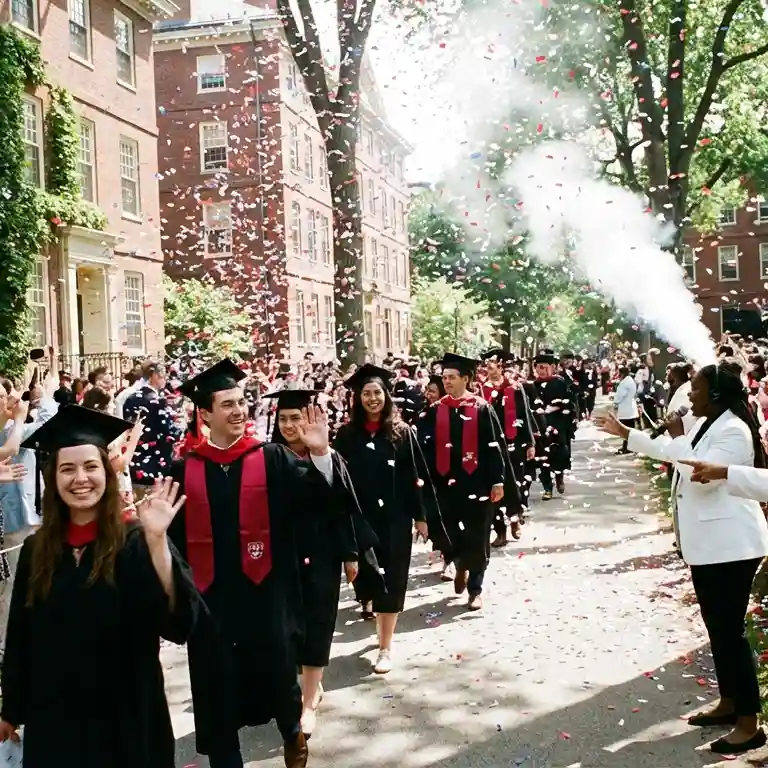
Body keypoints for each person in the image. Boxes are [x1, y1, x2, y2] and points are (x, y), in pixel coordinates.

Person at [0, 405, 199, 767]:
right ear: (52, 477)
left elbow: (180, 622)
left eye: (91, 466)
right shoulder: (37, 549)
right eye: (67, 468)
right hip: (56, 720)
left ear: (106, 473)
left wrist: (158, 543)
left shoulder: (137, 540)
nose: (80, 479)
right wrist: (10, 708)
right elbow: (21, 634)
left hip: (127, 716)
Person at [168, 359, 338, 768]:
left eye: (241, 402)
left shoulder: (274, 458)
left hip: (268, 597)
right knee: (218, 698)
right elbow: (170, 544)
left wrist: (320, 454)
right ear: (205, 414)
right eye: (226, 404)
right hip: (211, 605)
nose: (238, 410)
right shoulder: (184, 470)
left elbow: (321, 503)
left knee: (279, 683)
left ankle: (292, 732)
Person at [596, 362, 768, 755]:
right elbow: (678, 453)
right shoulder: (709, 424)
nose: (689, 395)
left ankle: (749, 723)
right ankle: (729, 703)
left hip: (732, 546)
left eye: (695, 388)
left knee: (731, 632)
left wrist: (677, 436)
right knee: (717, 628)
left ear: (717, 394)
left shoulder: (732, 430)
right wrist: (630, 434)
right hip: (710, 545)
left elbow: (698, 475)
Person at [266, 388, 373, 737]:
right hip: (282, 554)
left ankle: (308, 700)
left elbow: (343, 506)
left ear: (310, 418)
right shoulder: (267, 457)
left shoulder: (328, 456)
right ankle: (305, 684)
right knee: (287, 626)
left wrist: (350, 553)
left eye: (296, 417)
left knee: (318, 622)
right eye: (283, 418)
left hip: (323, 552)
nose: (288, 425)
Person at [334, 364, 446, 668]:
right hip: (361, 517)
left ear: (386, 396)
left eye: (377, 393)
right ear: (357, 398)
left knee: (393, 579)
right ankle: (373, 613)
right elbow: (337, 478)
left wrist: (421, 516)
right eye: (366, 393)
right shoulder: (346, 435)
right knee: (369, 578)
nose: (372, 399)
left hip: (396, 519)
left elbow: (415, 476)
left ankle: (385, 646)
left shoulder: (401, 432)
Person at [419, 353, 504, 611]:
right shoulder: (435, 411)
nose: (447, 382)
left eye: (452, 377)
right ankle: (458, 562)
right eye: (444, 377)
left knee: (478, 536)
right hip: (445, 485)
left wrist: (497, 481)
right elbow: (425, 449)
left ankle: (475, 589)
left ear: (466, 379)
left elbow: (493, 446)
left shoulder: (481, 408)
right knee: (447, 531)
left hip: (476, 483)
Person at [479, 349, 534, 544]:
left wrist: (529, 443)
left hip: (513, 443)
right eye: (486, 365)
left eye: (492, 365)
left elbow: (524, 416)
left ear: (501, 366)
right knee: (493, 486)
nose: (488, 368)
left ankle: (514, 519)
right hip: (491, 445)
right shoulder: (481, 390)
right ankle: (499, 531)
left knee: (514, 485)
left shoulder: (515, 388)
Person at [124, 361, 182, 501]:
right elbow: (171, 432)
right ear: (155, 376)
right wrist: (181, 426)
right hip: (155, 465)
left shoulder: (131, 398)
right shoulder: (157, 401)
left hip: (135, 460)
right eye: (163, 376)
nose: (165, 380)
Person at [531, 350, 572, 500]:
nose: (541, 370)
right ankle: (547, 487)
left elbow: (569, 402)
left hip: (557, 423)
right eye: (538, 367)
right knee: (542, 457)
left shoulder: (559, 382)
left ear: (552, 367)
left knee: (558, 453)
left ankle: (559, 476)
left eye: (544, 367)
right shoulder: (533, 385)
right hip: (540, 425)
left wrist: (554, 408)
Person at [613, 366, 639, 454]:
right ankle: (627, 446)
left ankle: (627, 447)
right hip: (629, 407)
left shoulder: (625, 382)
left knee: (625, 429)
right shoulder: (629, 380)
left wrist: (615, 401)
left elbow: (621, 395)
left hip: (626, 408)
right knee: (629, 428)